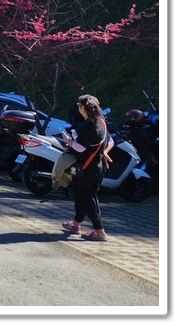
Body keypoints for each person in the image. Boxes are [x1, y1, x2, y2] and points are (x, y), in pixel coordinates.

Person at [61, 94, 115, 241]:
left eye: (79, 106)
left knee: (89, 199)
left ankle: (100, 232)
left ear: (83, 108)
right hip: (97, 167)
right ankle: (76, 225)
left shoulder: (88, 125)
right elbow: (110, 141)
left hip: (87, 168)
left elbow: (81, 148)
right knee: (81, 196)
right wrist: (104, 152)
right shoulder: (101, 122)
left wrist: (69, 141)